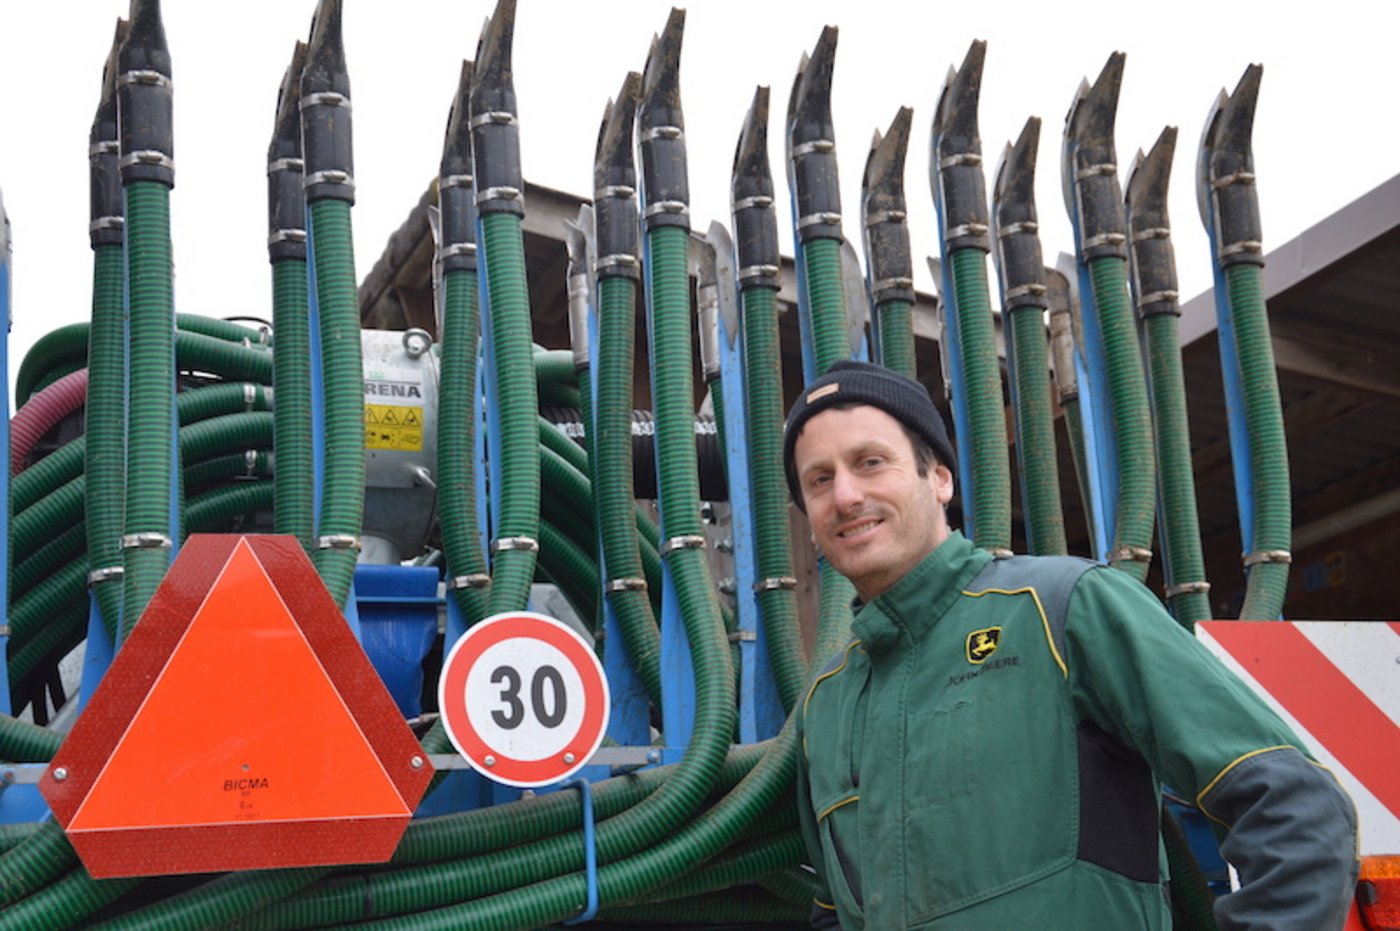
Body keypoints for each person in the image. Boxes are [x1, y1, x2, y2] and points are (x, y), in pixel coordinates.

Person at [784, 359, 1359, 930]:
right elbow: (838, 915)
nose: (846, 495)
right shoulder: (827, 705)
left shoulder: (1063, 606)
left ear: (939, 477)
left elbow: (1295, 811)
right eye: (820, 479)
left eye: (870, 463)